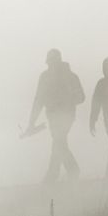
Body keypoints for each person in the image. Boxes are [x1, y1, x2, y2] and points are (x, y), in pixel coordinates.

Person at [26, 48, 85, 182]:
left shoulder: (71, 76)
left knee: (59, 141)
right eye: (50, 62)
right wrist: (31, 122)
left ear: (59, 61)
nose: (52, 65)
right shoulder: (45, 77)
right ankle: (65, 172)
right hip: (52, 117)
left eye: (54, 61)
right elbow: (39, 100)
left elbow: (81, 97)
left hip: (67, 116)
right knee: (59, 143)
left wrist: (66, 100)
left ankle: (56, 174)